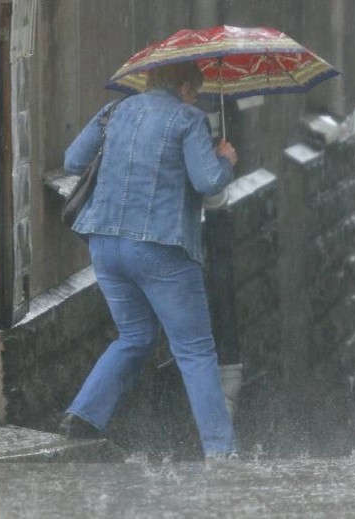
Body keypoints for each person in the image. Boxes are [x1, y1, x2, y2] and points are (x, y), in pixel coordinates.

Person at [57, 61, 239, 459]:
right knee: (194, 350)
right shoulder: (189, 119)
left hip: (104, 244)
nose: (196, 98)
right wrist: (223, 158)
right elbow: (208, 182)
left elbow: (73, 160)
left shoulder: (114, 111)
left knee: (135, 337)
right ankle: (221, 451)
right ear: (184, 86)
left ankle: (83, 416)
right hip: (161, 247)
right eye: (196, 91)